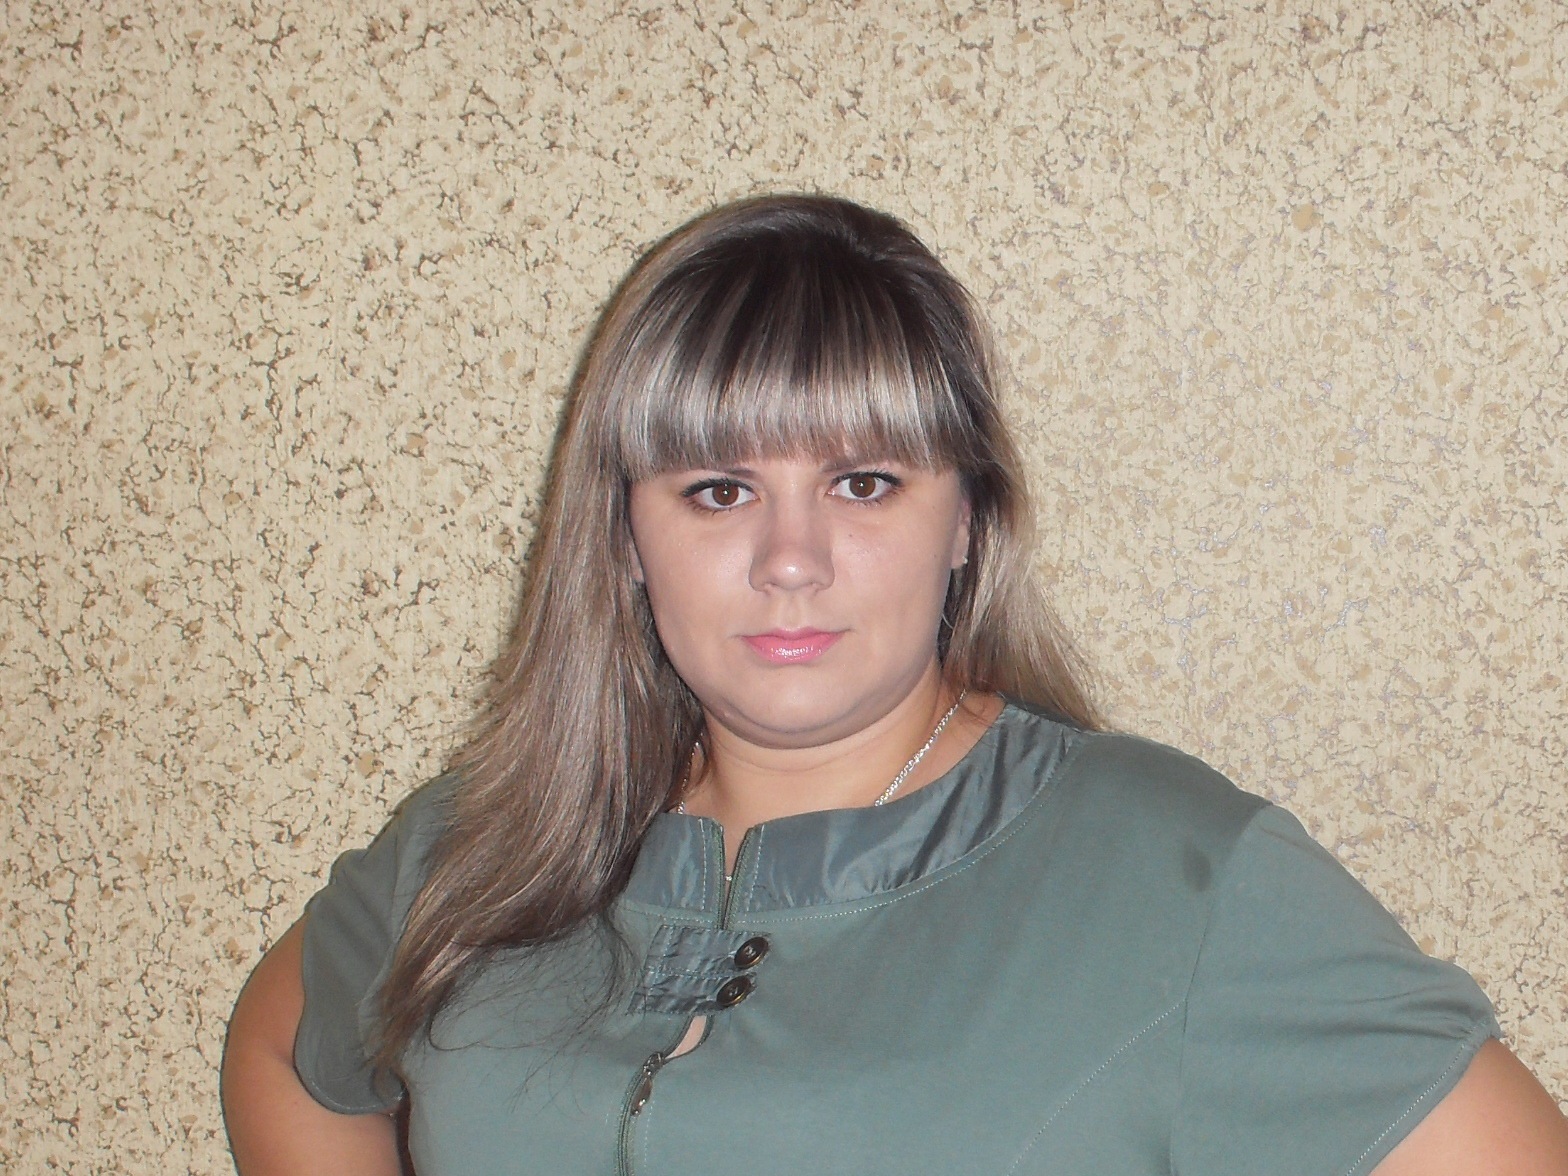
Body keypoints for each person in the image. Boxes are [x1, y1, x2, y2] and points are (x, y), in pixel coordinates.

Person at [221, 195, 1568, 1175]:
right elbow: (281, 1048)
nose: (790, 559)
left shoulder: (1174, 877)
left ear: (967, 518)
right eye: (718, 490)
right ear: (625, 534)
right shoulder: (492, 839)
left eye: (863, 483)